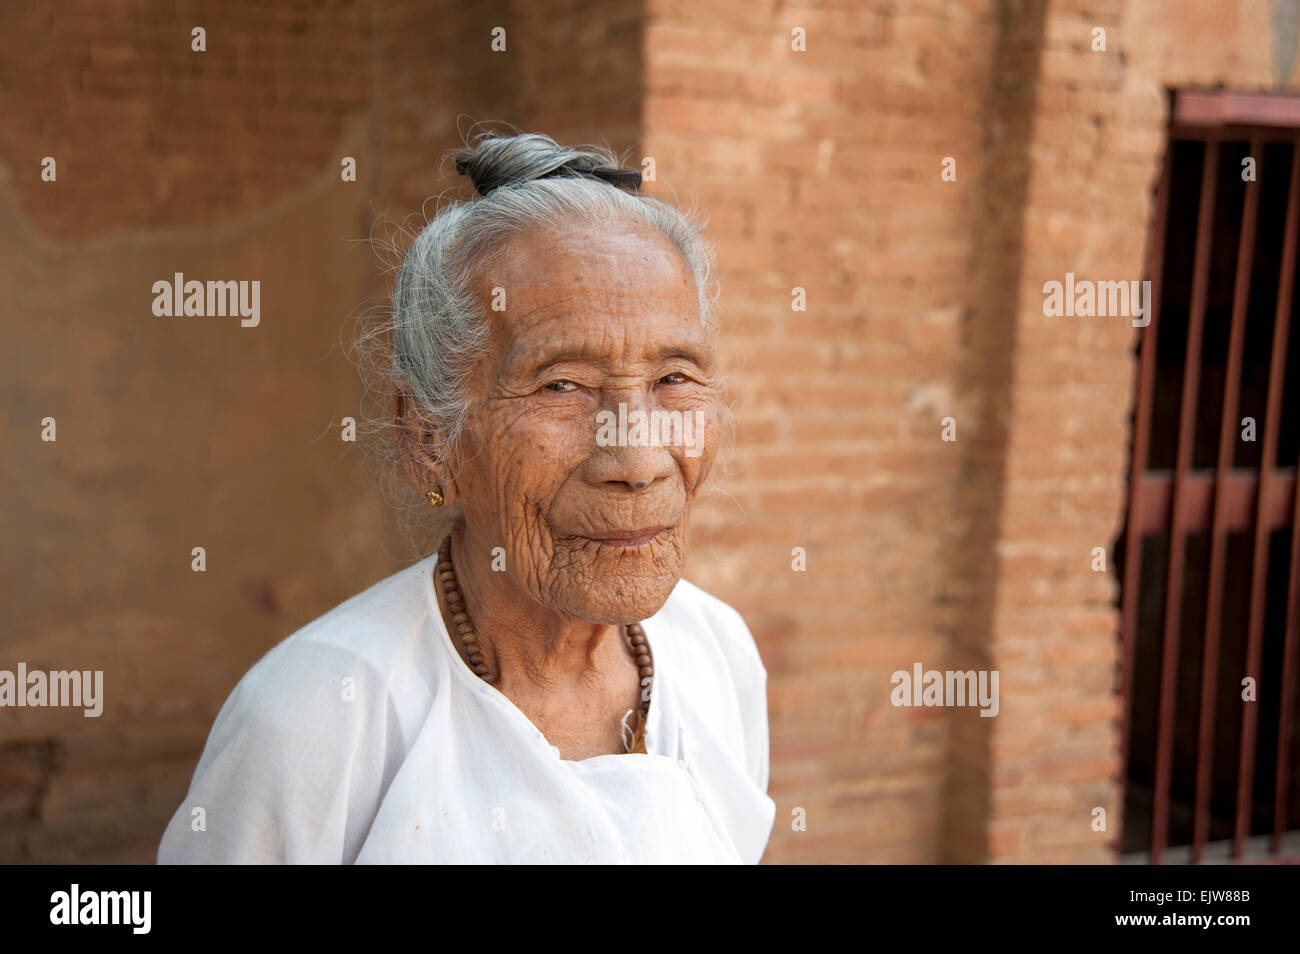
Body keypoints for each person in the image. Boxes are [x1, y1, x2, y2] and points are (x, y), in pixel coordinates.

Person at [158, 130, 775, 863]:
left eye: (674, 378)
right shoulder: (318, 714)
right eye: (561, 386)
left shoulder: (716, 655)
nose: (637, 461)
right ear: (429, 438)